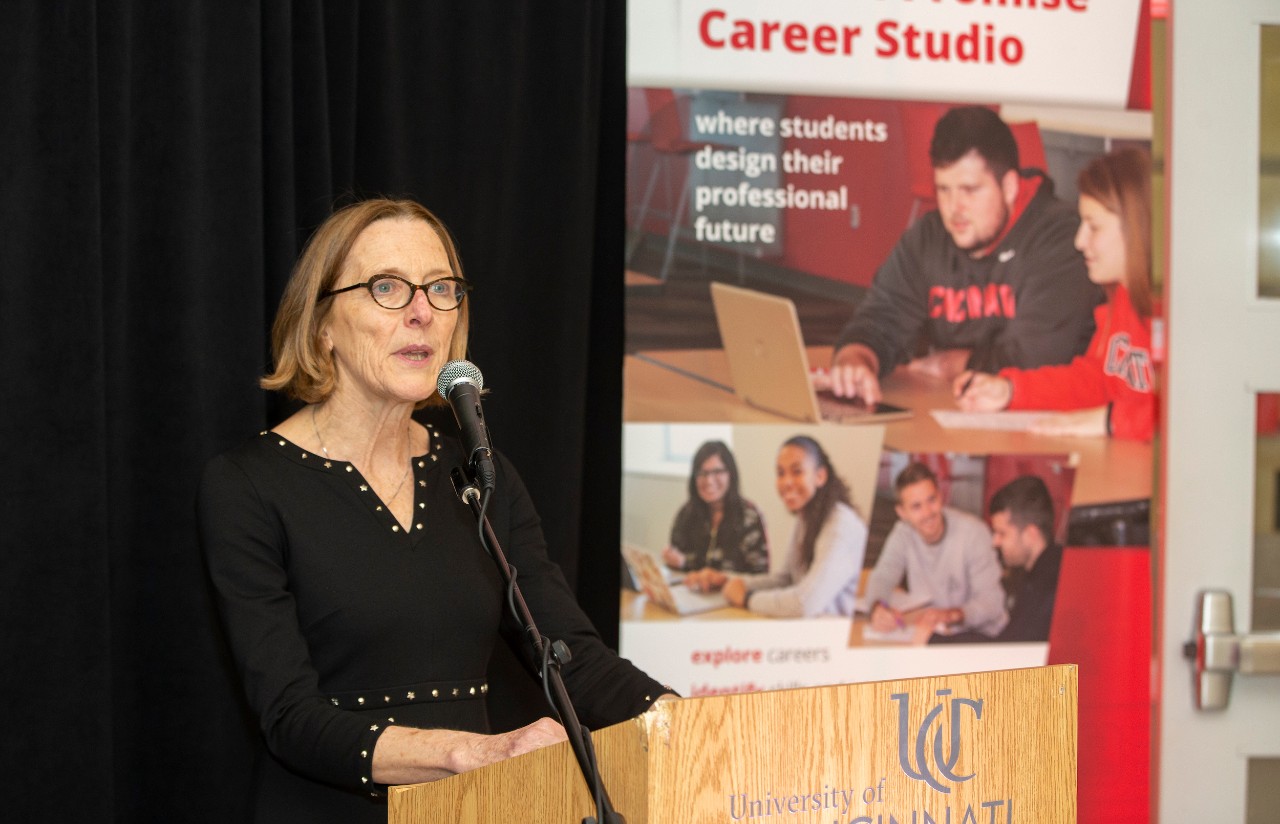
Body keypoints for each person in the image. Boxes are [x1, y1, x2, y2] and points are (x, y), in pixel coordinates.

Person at [197, 199, 670, 823]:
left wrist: (691, 722)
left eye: (441, 289)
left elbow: (573, 660)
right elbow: (290, 717)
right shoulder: (249, 486)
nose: (422, 312)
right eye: (386, 287)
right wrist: (473, 753)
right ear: (321, 327)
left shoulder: (481, 476)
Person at [825, 106, 1103, 406]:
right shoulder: (929, 237)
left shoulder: (1064, 239)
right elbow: (879, 319)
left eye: (970, 190)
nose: (953, 208)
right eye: (944, 190)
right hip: (960, 412)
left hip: (1047, 422)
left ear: (1009, 187)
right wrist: (856, 360)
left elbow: (1039, 360)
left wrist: (952, 364)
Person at [953, 148, 1158, 441]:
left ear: (1138, 228)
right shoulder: (1120, 297)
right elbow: (1097, 381)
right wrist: (1012, 390)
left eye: (1094, 227)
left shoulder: (1187, 311)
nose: (1079, 241)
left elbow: (1194, 416)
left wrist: (1111, 420)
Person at [684, 435, 866, 617]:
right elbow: (785, 579)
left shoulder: (840, 526)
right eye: (780, 473)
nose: (786, 482)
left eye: (797, 471)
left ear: (820, 476)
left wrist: (747, 598)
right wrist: (727, 580)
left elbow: (804, 604)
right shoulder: (807, 516)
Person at [863, 462, 1007, 638]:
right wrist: (878, 608)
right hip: (935, 634)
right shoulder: (903, 532)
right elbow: (883, 576)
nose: (928, 513)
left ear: (941, 496)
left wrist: (951, 615)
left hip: (981, 637)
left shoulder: (973, 533)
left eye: (932, 500)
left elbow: (992, 603)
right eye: (916, 507)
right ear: (902, 512)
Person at [662, 440, 769, 574]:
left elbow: (759, 575)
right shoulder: (686, 513)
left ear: (730, 474)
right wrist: (677, 561)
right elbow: (676, 567)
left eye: (717, 471)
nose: (709, 481)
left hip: (731, 594)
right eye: (702, 473)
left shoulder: (749, 516)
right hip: (688, 592)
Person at [986, 475, 1065, 642]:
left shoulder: (1048, 587)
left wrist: (932, 640)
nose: (995, 542)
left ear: (1030, 535)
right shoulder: (1040, 572)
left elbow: (1009, 650)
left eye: (1002, 533)